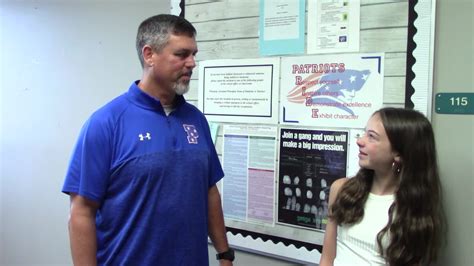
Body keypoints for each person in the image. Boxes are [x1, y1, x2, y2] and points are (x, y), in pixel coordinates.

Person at [62, 14, 234, 266]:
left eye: (194, 54)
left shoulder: (196, 120)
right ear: (149, 55)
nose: (192, 63)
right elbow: (81, 213)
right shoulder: (106, 123)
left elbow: (209, 191)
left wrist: (224, 254)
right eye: (182, 54)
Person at [319, 107, 445, 266]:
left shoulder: (412, 209)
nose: (360, 140)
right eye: (365, 133)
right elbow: (327, 259)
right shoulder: (341, 189)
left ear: (398, 154)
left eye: (372, 137)